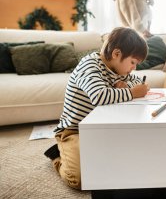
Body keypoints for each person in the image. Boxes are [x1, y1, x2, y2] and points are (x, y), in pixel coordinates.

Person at [43, 27, 150, 189]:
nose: (134, 68)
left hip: (100, 129)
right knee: (79, 179)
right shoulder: (90, 66)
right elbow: (99, 96)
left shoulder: (119, 68)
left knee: (126, 162)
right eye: (133, 62)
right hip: (73, 130)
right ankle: (57, 156)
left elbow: (135, 80)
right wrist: (131, 92)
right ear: (116, 54)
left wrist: (126, 84)